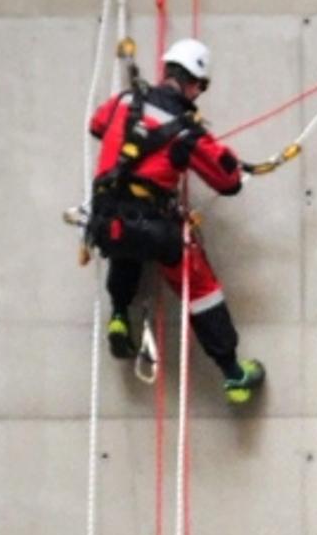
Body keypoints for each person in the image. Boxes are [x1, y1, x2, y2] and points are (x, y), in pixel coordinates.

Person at [86, 38, 265, 404]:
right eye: (202, 86)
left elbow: (97, 124)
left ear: (166, 70)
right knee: (202, 290)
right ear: (195, 82)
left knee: (125, 246)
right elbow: (227, 181)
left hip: (104, 221)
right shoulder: (186, 131)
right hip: (153, 228)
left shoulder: (123, 101)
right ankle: (233, 374)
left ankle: (120, 313)